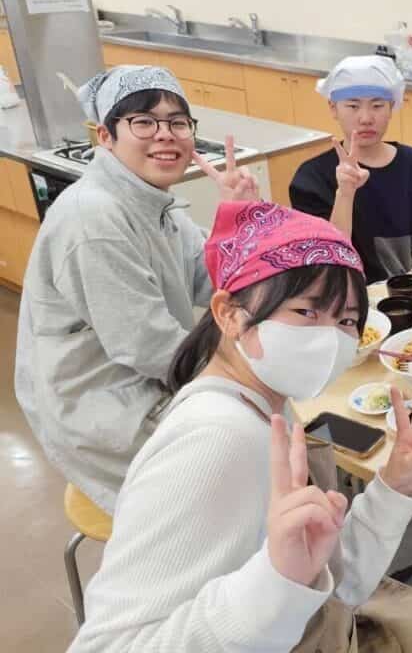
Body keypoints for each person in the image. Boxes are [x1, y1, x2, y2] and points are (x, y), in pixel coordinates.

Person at [68, 200, 412, 652]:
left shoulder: (265, 404)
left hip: (321, 625)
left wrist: (393, 486)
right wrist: (275, 584)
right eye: (307, 312)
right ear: (229, 313)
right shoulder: (216, 441)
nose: (329, 338)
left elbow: (335, 580)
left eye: (346, 320)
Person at [14, 65, 257, 512]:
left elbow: (209, 279)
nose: (164, 134)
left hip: (148, 374)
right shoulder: (94, 218)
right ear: (105, 136)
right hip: (104, 404)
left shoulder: (154, 204)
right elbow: (148, 346)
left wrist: (237, 219)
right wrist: (251, 375)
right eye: (143, 121)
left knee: (269, 428)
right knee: (250, 454)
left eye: (177, 122)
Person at [289, 55, 412, 284]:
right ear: (333, 108)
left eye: (377, 106)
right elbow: (325, 258)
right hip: (350, 296)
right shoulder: (312, 179)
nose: (366, 118)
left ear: (391, 107)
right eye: (353, 106)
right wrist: (345, 194)